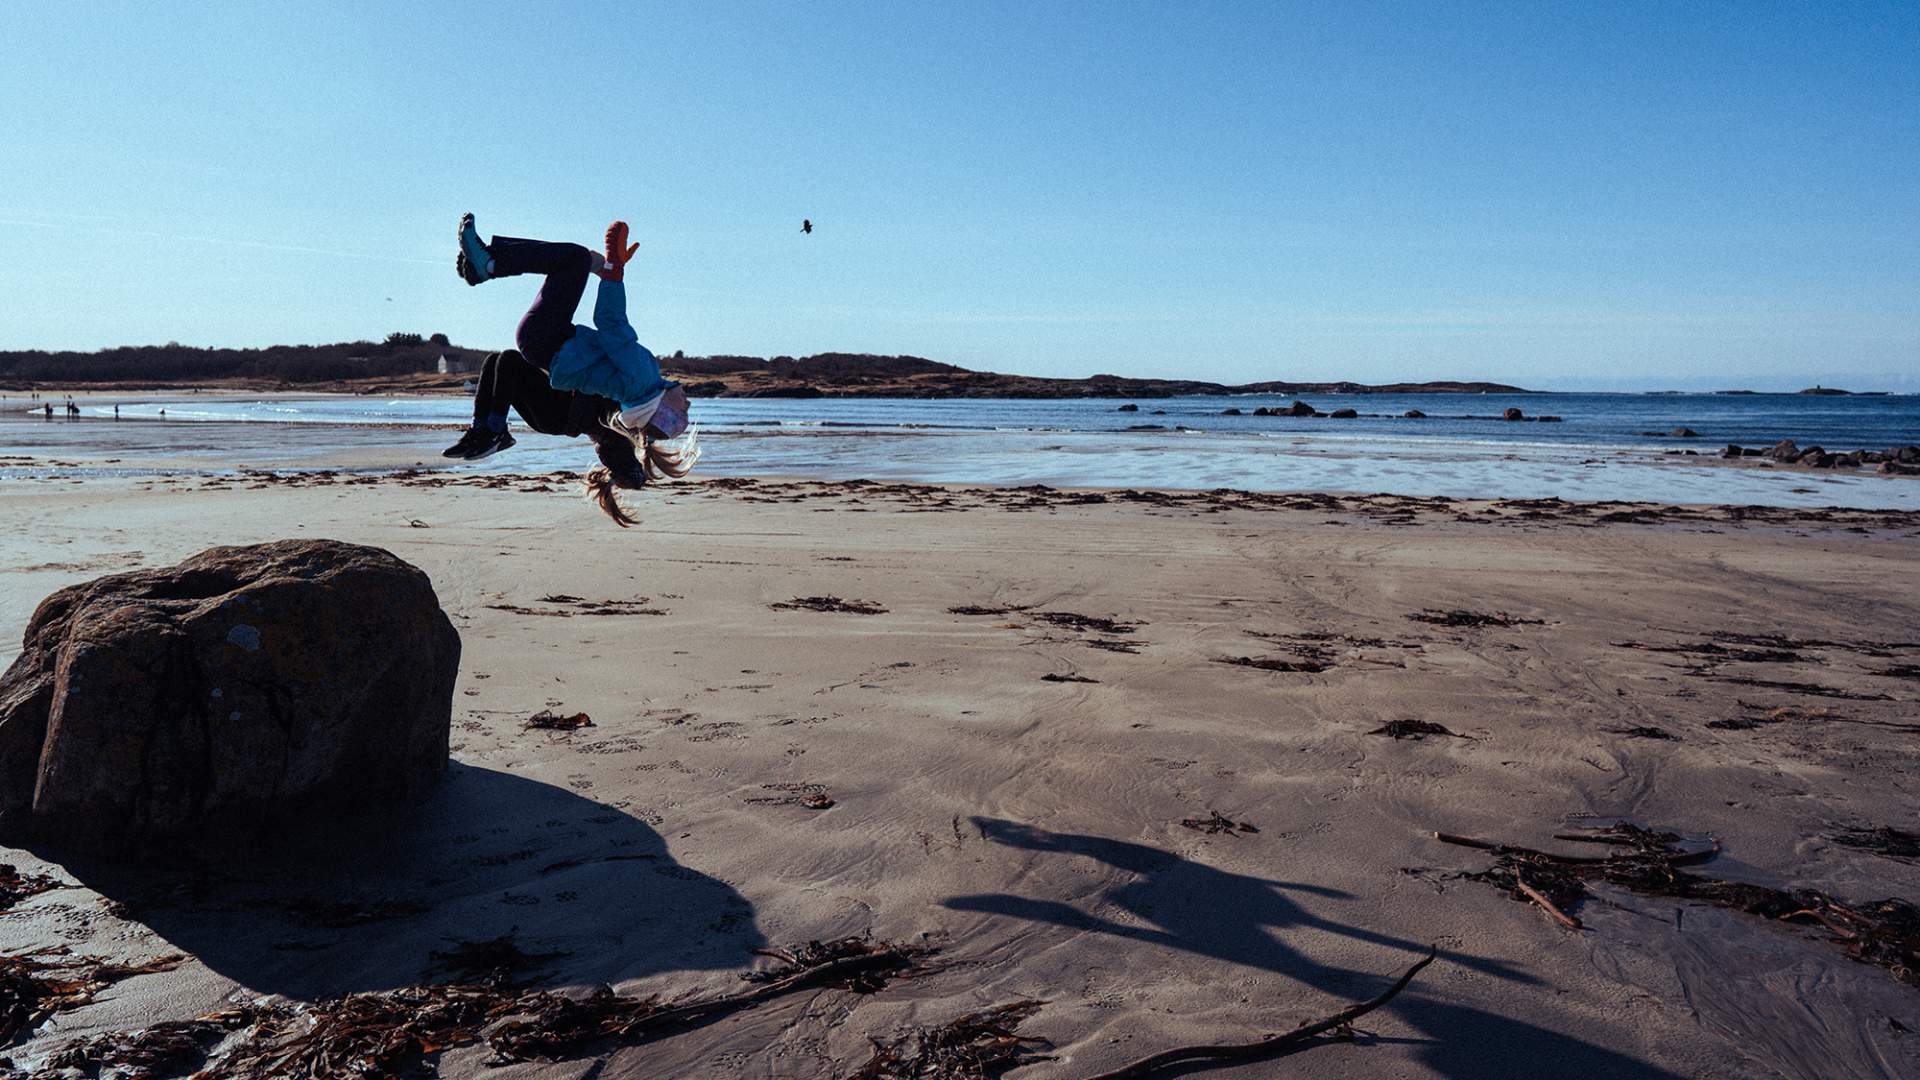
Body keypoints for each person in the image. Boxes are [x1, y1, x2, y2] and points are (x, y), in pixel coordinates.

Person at [446, 214, 696, 526]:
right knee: (504, 361)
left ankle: (489, 266)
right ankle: (489, 429)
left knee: (575, 258)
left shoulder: (636, 391)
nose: (689, 402)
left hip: (554, 380)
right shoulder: (631, 405)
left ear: (661, 407)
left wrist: (612, 274)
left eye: (684, 410)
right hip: (552, 367)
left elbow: (613, 326)